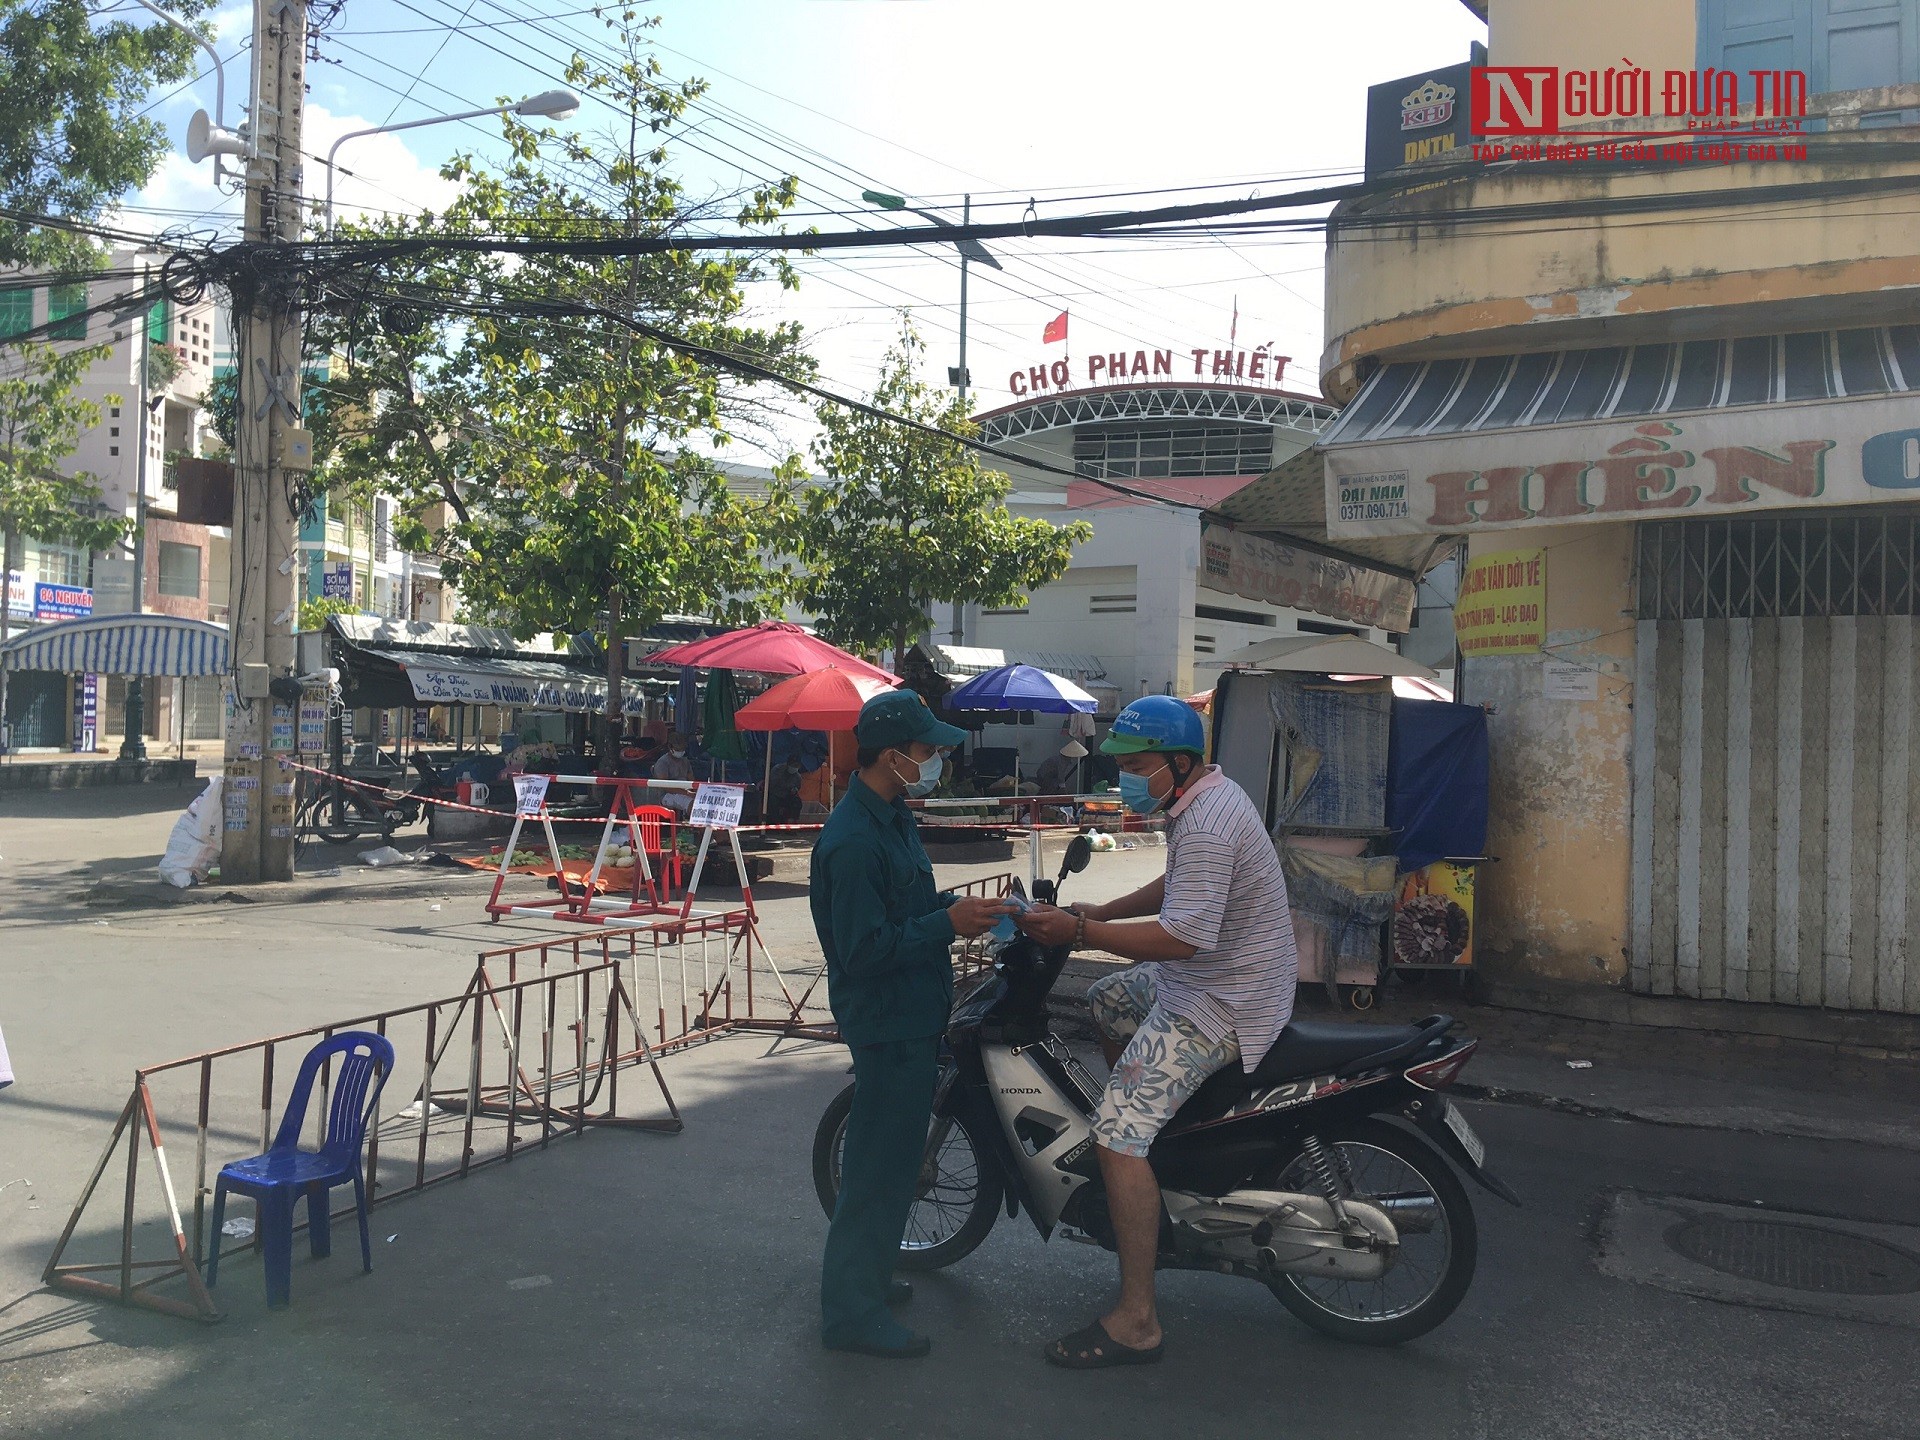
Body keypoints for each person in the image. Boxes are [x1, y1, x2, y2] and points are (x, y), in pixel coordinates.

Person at [1013, 695, 1297, 1369]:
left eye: (1137, 765)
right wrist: (1105, 909)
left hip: (1221, 998)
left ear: (1177, 761)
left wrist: (1081, 930)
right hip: (1229, 978)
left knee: (1114, 1136)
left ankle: (1136, 1320)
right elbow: (1184, 885)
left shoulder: (1207, 821)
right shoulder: (1207, 800)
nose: (1128, 779)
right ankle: (1154, 1146)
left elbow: (1180, 939)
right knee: (1112, 1001)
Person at [809, 690, 1010, 1359]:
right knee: (875, 1170)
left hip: (914, 1014)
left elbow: (913, 908)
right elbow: (863, 950)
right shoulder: (851, 841)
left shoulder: (891, 817)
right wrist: (942, 925)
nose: (936, 759)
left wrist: (961, 910)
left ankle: (867, 1277)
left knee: (895, 1165)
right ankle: (849, 1312)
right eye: (927, 751)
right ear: (892, 756)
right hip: (886, 1022)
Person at [650, 731, 694, 817]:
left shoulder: (685, 761)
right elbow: (666, 787)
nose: (681, 752)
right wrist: (687, 793)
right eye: (678, 749)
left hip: (685, 791)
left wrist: (695, 792)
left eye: (682, 749)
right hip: (667, 795)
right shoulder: (663, 762)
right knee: (691, 804)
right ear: (670, 747)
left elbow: (691, 779)